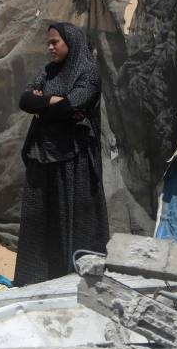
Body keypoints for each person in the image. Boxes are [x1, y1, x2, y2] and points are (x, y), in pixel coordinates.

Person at [15, 23, 109, 286]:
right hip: (42, 153)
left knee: (74, 218)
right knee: (40, 219)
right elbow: (25, 100)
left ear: (71, 42)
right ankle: (34, 280)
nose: (50, 47)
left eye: (55, 42)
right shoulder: (48, 71)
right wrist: (52, 101)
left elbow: (71, 105)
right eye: (49, 43)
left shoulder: (88, 73)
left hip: (73, 159)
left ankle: (74, 280)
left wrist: (45, 101)